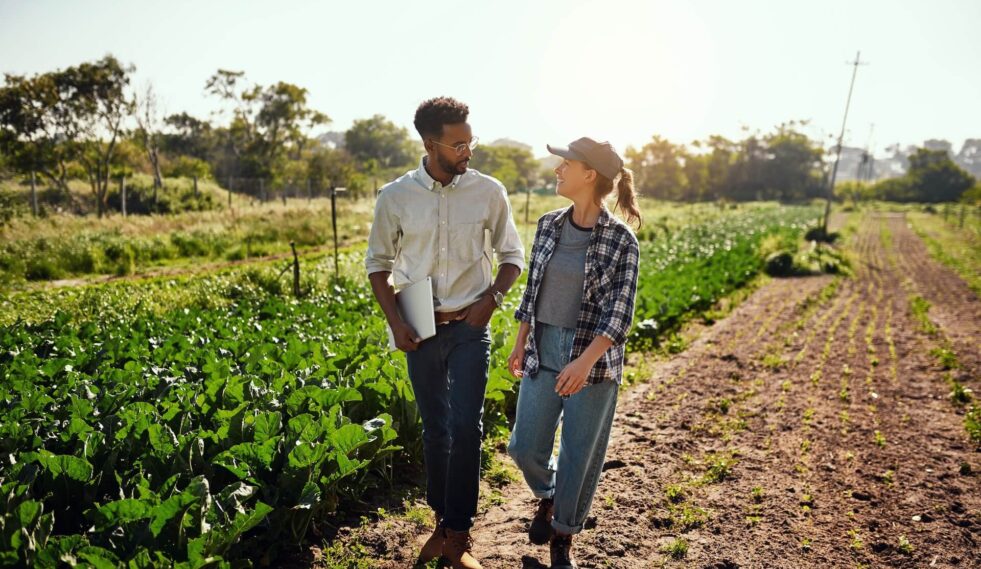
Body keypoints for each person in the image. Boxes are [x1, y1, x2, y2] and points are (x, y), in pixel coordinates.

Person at [365, 96, 525, 569]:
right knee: (435, 430)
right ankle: (440, 521)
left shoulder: (488, 191)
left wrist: (492, 300)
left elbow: (512, 256)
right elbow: (378, 266)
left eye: (470, 142)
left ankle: (458, 534)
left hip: (470, 328)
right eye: (458, 145)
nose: (467, 151)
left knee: (466, 428)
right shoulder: (395, 196)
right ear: (429, 145)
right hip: (420, 328)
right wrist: (396, 324)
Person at [506, 137, 641, 569]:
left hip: (593, 359)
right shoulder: (548, 225)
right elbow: (532, 289)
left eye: (566, 163)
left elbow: (620, 314)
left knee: (579, 455)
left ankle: (563, 534)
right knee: (523, 447)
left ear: (589, 174)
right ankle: (549, 496)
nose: (557, 170)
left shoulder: (622, 240)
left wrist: (585, 362)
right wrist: (521, 340)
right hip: (544, 346)